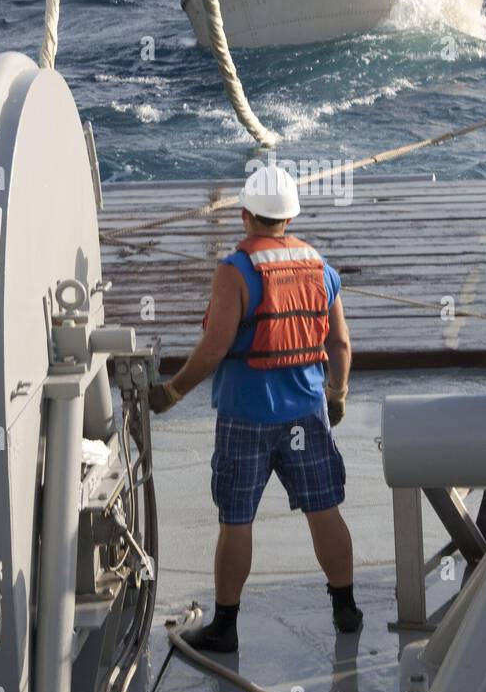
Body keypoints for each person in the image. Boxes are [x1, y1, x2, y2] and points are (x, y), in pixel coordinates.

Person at [148, 163, 360, 652]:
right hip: (307, 413)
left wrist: (172, 392)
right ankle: (345, 608)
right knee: (324, 510)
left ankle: (225, 625)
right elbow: (341, 344)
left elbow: (214, 346)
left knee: (236, 519)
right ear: (290, 217)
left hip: (246, 416)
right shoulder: (320, 267)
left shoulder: (235, 271)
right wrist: (338, 394)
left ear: (245, 215)